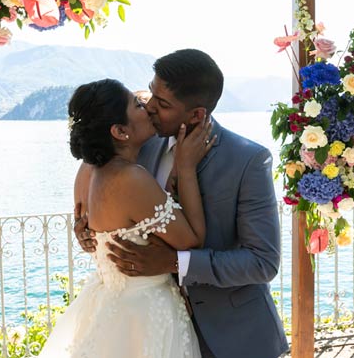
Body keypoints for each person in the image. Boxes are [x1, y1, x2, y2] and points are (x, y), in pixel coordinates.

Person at [75, 49, 288, 358]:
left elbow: (263, 262)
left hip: (232, 337)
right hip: (147, 331)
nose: (149, 108)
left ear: (196, 115)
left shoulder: (247, 160)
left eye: (162, 104)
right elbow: (103, 192)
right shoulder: (138, 144)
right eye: (150, 95)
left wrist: (175, 263)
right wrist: (89, 231)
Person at [38, 78, 216, 358]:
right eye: (138, 105)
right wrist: (186, 166)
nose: (148, 108)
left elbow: (93, 227)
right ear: (120, 131)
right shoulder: (131, 178)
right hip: (144, 312)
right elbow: (192, 239)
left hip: (108, 301)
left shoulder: (88, 172)